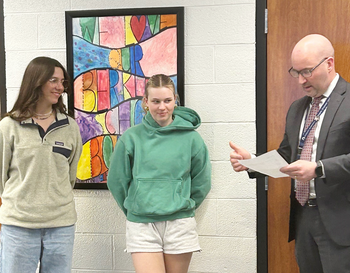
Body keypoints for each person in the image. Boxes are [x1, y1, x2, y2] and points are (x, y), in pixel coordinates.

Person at [230, 34, 350, 273]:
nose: (300, 81)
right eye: (296, 72)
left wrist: (318, 168)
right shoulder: (298, 108)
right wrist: (252, 162)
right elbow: (287, 154)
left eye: (307, 71)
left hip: (341, 221)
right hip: (303, 217)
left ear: (329, 63)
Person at [107, 74, 211, 273]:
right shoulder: (131, 138)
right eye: (155, 101)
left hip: (179, 223)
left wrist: (183, 204)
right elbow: (117, 181)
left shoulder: (191, 138)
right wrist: (135, 207)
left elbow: (202, 180)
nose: (162, 107)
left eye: (167, 100)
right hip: (142, 224)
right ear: (146, 102)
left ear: (175, 100)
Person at [0, 56, 82, 273]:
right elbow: (1, 179)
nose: (60, 87)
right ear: (36, 81)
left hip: (61, 226)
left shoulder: (70, 127)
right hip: (18, 226)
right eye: (53, 80)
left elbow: (69, 177)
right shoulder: (8, 126)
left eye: (62, 82)